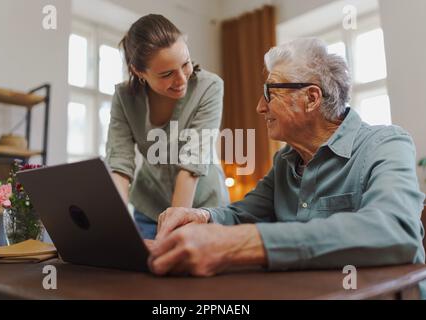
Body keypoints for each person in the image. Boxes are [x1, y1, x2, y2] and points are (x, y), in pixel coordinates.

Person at [149, 38, 426, 282]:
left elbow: (395, 229)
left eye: (270, 92)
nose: (260, 106)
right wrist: (201, 217)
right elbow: (240, 214)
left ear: (311, 98)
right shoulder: (284, 161)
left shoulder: (386, 144)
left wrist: (245, 244)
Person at [106, 14, 229, 240]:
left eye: (186, 64)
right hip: (150, 208)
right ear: (138, 72)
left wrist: (170, 234)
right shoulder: (124, 98)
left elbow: (192, 164)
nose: (181, 79)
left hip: (204, 210)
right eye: (167, 74)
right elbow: (120, 166)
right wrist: (116, 226)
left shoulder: (209, 87)